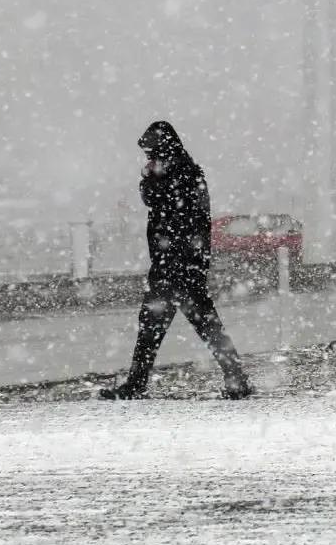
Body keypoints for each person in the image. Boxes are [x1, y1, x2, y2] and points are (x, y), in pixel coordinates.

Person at [99, 121, 254, 400]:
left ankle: (138, 384)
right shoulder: (186, 172)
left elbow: (159, 203)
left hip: (176, 265)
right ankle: (236, 379)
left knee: (165, 327)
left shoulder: (177, 175)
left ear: (161, 149)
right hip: (180, 264)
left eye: (150, 153)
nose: (148, 158)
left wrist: (148, 178)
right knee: (192, 326)